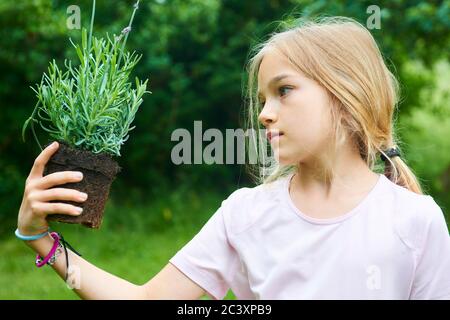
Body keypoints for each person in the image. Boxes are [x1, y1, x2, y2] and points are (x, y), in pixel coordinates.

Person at [16, 17, 450, 300]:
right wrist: (39, 238)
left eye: (283, 90)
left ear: (345, 94)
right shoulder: (246, 214)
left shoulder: (414, 221)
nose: (264, 112)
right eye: (261, 98)